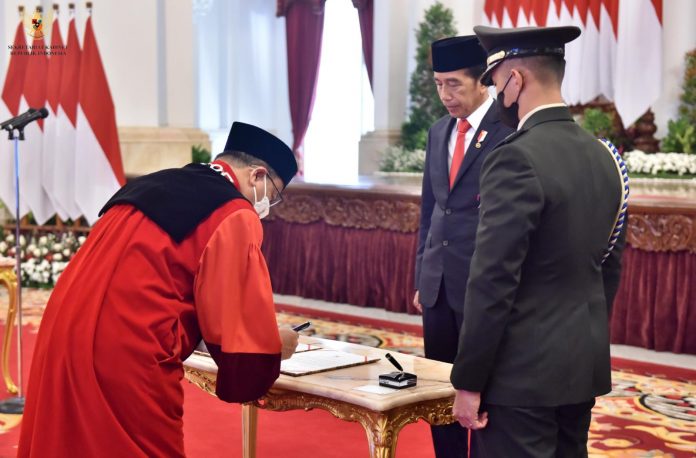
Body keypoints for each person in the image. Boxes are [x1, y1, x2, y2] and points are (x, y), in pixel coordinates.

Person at [18, 122, 301, 457]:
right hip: (125, 350)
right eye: (273, 193)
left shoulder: (156, 183)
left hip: (61, 329)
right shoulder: (234, 212)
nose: (267, 205)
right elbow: (235, 320)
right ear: (256, 176)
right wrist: (272, 344)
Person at [449, 25, 628, 457]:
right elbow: (609, 268)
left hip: (520, 376)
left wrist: (468, 381)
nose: (496, 96)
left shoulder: (514, 157)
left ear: (516, 80)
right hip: (579, 366)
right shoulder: (606, 157)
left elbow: (492, 280)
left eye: (495, 83)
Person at [413, 35, 514, 458]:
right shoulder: (439, 133)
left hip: (482, 285)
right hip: (437, 285)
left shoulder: (508, 130)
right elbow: (430, 209)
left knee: (486, 395)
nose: (444, 95)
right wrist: (422, 274)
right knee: (440, 393)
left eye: (453, 84)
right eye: (438, 84)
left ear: (482, 82)